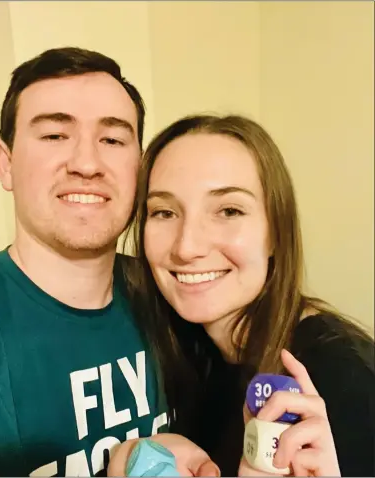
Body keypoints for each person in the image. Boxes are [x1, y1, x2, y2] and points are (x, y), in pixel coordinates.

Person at [0, 47, 169, 477]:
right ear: (6, 162)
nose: (87, 164)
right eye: (54, 136)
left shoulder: (172, 292)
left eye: (112, 139)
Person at [110, 114, 374, 476]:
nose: (187, 247)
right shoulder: (189, 346)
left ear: (275, 233)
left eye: (229, 210)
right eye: (164, 212)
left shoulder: (342, 379)